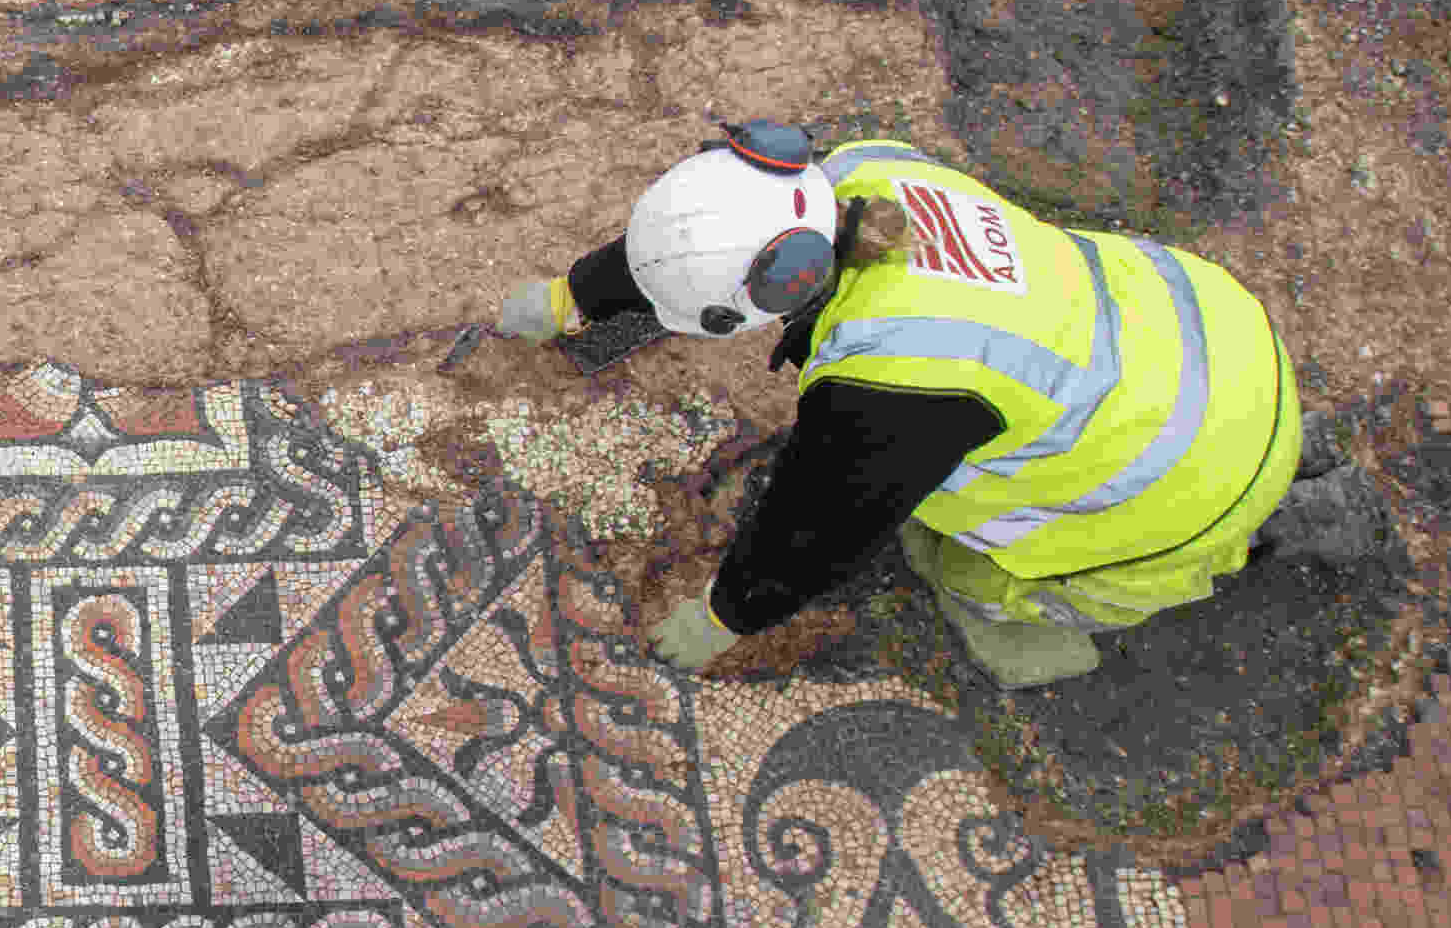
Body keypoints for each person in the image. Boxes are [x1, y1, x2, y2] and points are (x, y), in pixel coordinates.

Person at [495, 124, 1304, 689]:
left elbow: (813, 533)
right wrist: (574, 297)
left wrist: (728, 615)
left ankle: (1058, 613)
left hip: (1188, 476)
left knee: (950, 563)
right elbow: (705, 241)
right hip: (1203, 324)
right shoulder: (861, 170)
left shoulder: (891, 385)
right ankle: (1290, 473)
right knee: (976, 441)